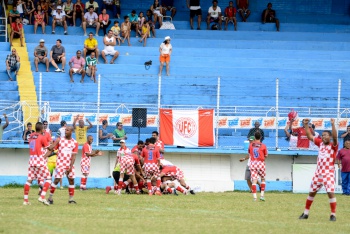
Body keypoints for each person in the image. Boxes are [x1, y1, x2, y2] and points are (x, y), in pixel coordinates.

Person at [299, 118, 338, 221]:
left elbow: (335, 136)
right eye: (323, 135)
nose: (324, 136)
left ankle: (333, 214)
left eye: (326, 135)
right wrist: (306, 125)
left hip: (328, 173)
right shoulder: (320, 143)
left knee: (330, 193)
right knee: (311, 193)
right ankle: (306, 213)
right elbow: (309, 136)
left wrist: (333, 125)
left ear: (329, 137)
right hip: (318, 173)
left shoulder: (333, 146)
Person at [47, 126, 79, 204]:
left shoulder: (75, 142)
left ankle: (71, 199)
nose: (65, 131)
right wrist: (52, 144)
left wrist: (70, 167)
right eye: (65, 130)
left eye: (67, 130)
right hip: (60, 163)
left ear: (71, 132)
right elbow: (52, 148)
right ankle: (50, 197)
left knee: (71, 180)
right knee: (57, 180)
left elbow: (74, 156)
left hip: (69, 164)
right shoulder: (60, 140)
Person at [23, 122, 51, 205]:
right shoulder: (42, 137)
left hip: (31, 160)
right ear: (42, 129)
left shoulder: (31, 136)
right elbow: (49, 148)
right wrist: (56, 144)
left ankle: (25, 200)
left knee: (29, 180)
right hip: (39, 160)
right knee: (48, 179)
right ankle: (42, 197)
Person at [248, 131, 268, 201]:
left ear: (254, 137)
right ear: (261, 137)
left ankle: (254, 197)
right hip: (261, 163)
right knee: (262, 179)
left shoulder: (251, 145)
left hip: (253, 163)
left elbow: (250, 153)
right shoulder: (263, 146)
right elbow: (266, 156)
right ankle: (262, 195)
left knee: (254, 180)